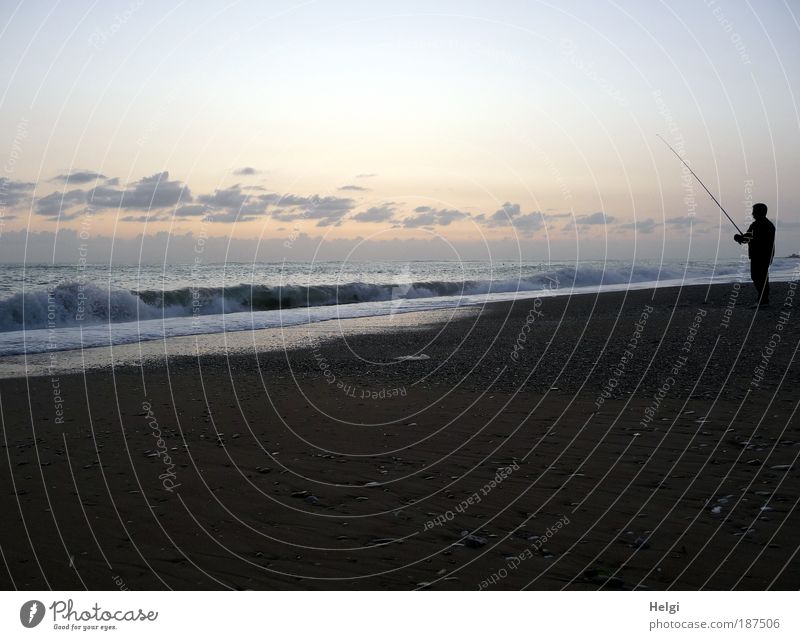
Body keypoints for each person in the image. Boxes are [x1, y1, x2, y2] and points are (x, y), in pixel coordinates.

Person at [734, 203, 775, 307]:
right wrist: (741, 238)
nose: (752, 214)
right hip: (767, 255)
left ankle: (763, 300)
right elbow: (749, 238)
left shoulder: (756, 225)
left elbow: (747, 239)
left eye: (754, 211)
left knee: (757, 276)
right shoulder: (769, 225)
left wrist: (738, 237)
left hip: (758, 255)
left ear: (759, 212)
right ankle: (763, 299)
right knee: (762, 276)